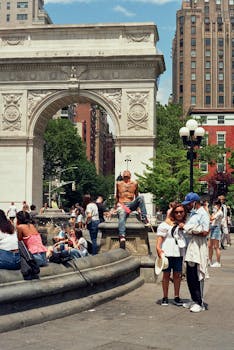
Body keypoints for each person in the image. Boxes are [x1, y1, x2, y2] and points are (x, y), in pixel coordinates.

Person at [181, 192, 210, 313]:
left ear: (194, 203)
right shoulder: (194, 213)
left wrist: (189, 229)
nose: (187, 206)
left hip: (199, 245)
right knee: (190, 274)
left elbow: (205, 231)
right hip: (191, 245)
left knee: (197, 273)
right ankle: (194, 299)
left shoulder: (203, 214)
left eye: (189, 204)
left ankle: (199, 301)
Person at [156, 203, 187, 306]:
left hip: (178, 252)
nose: (179, 214)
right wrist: (158, 249)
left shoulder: (186, 224)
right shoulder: (166, 224)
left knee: (177, 275)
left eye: (181, 212)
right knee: (166, 275)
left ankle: (176, 296)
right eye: (177, 212)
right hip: (167, 252)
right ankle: (165, 297)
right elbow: (160, 239)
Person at [115, 169, 149, 249]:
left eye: (127, 176)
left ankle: (144, 218)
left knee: (141, 197)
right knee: (122, 214)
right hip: (122, 204)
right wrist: (115, 207)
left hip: (131, 204)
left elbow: (137, 196)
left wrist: (138, 208)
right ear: (123, 176)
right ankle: (122, 235)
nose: (126, 177)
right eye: (125, 176)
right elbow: (117, 196)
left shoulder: (135, 184)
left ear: (130, 176)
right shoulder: (118, 184)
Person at [208, 200, 223, 267]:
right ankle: (210, 260)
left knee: (216, 247)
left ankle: (218, 262)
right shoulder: (216, 212)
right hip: (213, 228)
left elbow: (211, 218)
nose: (214, 206)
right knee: (210, 246)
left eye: (215, 205)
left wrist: (207, 210)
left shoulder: (219, 212)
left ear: (218, 205)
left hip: (216, 229)